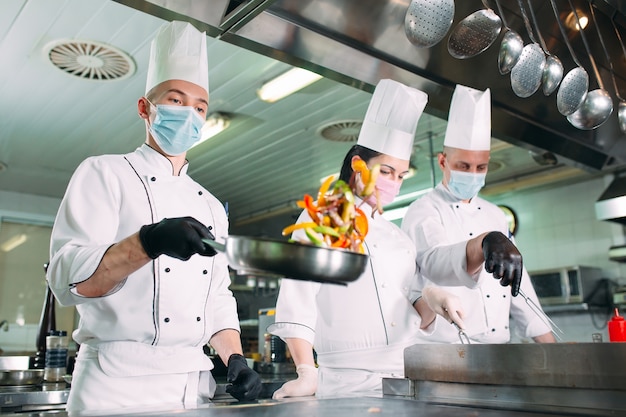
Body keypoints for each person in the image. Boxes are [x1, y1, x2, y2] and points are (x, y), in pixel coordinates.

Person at [46, 20, 261, 413]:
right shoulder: (103, 173)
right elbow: (66, 278)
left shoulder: (211, 206)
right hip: (113, 386)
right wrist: (147, 242)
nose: (190, 115)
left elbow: (215, 297)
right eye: (176, 101)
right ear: (145, 108)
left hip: (190, 387)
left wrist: (235, 359)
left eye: (199, 107)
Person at [268, 79, 466, 400]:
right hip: (346, 383)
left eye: (401, 175)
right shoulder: (324, 217)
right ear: (359, 166)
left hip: (405, 376)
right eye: (386, 171)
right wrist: (306, 371)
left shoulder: (399, 238)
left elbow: (413, 304)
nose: (394, 183)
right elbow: (297, 298)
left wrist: (433, 298)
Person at [401, 84, 556, 344]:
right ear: (443, 161)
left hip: (499, 352)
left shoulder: (495, 214)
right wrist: (482, 243)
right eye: (463, 166)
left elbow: (519, 285)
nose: (472, 174)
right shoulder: (424, 210)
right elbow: (437, 263)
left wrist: (552, 350)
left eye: (480, 167)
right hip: (449, 353)